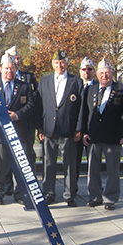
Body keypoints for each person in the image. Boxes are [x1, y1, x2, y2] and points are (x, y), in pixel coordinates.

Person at [0, 54, 40, 205]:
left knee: (21, 163)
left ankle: (20, 193)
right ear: (0, 69)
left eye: (12, 68)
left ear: (16, 68)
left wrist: (17, 115)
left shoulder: (25, 86)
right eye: (6, 68)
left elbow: (31, 105)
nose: (9, 71)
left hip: (19, 130)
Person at [79, 58, 123, 210]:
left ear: (112, 74)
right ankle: (95, 196)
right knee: (92, 168)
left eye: (107, 73)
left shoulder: (121, 89)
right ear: (97, 74)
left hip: (113, 136)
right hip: (94, 136)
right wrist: (84, 133)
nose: (104, 76)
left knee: (112, 170)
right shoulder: (91, 89)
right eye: (101, 73)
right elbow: (86, 113)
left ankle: (110, 198)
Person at [38, 50, 83, 207]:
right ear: (52, 64)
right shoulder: (44, 81)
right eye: (56, 63)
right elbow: (39, 106)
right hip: (49, 128)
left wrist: (78, 128)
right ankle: (49, 193)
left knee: (69, 163)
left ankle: (69, 194)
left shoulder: (76, 82)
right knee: (48, 163)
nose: (60, 65)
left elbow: (81, 108)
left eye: (62, 62)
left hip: (68, 129)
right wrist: (40, 128)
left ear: (67, 63)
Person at [4, 45, 40, 196]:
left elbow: (36, 102)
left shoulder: (29, 77)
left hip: (25, 125)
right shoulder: (1, 77)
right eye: (13, 58)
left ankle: (24, 189)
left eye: (18, 58)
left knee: (26, 158)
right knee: (7, 158)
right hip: (6, 126)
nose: (16, 61)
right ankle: (7, 186)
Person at [75, 57, 95, 183]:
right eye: (83, 69)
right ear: (79, 71)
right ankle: (73, 189)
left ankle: (94, 191)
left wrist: (87, 132)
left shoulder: (99, 87)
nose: (86, 72)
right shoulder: (74, 86)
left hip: (92, 132)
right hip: (76, 132)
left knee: (93, 165)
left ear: (94, 71)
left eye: (89, 69)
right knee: (74, 163)